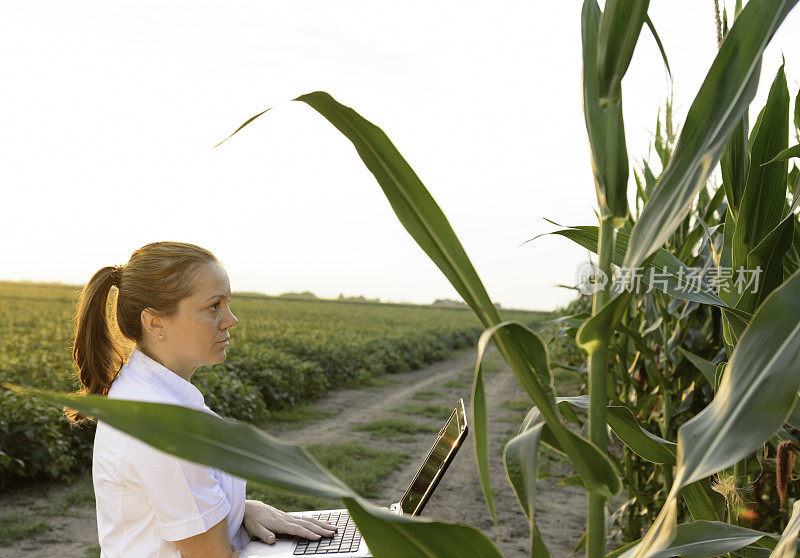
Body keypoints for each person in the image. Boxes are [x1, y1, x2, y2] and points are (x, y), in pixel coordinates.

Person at [67, 241, 337, 558]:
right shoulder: (164, 422)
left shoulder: (150, 392)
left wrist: (243, 509)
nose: (230, 319)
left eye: (228, 303)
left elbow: (172, 501)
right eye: (214, 306)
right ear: (155, 322)